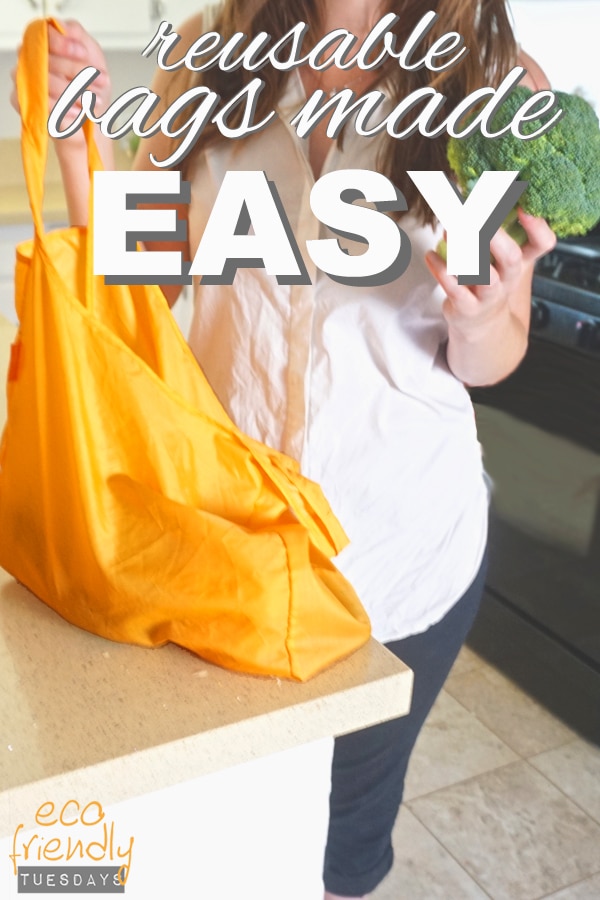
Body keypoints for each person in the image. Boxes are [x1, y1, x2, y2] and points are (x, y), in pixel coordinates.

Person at [12, 2, 556, 896]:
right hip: (227, 551)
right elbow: (146, 265)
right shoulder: (207, 49)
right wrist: (80, 147)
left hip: (397, 560)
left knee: (339, 849)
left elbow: (493, 356)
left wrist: (490, 313)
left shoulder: (492, 81)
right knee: (222, 832)